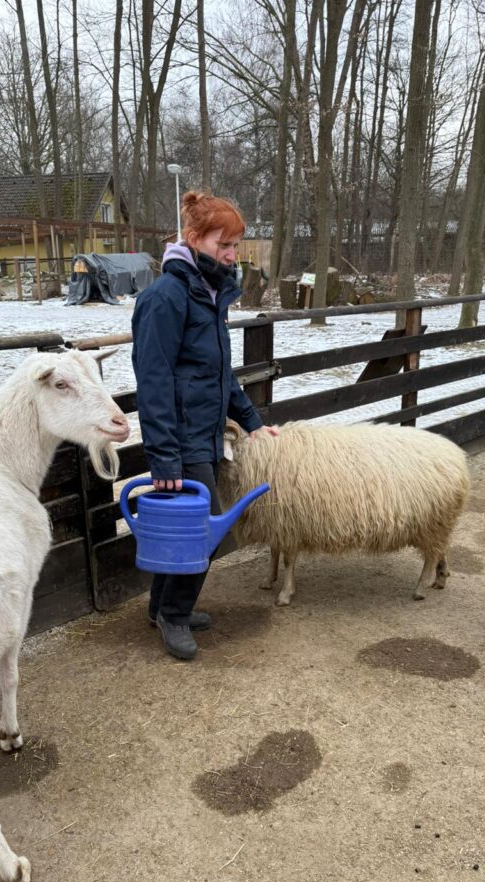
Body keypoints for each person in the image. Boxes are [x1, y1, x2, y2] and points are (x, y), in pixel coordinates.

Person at [132, 190, 278, 661]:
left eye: (236, 245)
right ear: (193, 239)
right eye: (224, 245)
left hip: (205, 435)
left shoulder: (209, 293)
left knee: (190, 533)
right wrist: (164, 458)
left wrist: (251, 422)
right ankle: (174, 615)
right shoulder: (166, 298)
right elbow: (152, 384)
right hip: (180, 441)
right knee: (203, 537)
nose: (233, 255)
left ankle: (161, 608)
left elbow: (218, 374)